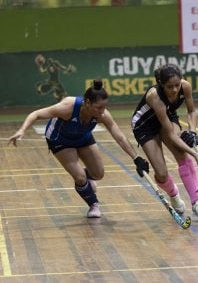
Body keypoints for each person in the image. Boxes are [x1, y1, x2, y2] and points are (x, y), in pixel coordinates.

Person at [8, 79, 149, 218]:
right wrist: (22, 130)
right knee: (80, 178)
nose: (102, 111)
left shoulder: (102, 115)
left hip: (82, 137)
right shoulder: (68, 107)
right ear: (87, 103)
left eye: (104, 107)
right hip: (60, 140)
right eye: (99, 107)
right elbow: (36, 114)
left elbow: (119, 137)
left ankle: (85, 178)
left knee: (99, 174)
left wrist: (136, 158)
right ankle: (94, 204)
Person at [131, 64, 198, 219]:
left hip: (167, 117)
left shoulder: (185, 87)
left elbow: (192, 111)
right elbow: (172, 135)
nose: (174, 90)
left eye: (177, 85)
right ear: (161, 84)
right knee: (161, 174)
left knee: (182, 156)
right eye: (169, 87)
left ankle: (197, 202)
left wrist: (192, 132)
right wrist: (195, 153)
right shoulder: (155, 96)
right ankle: (174, 195)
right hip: (144, 126)